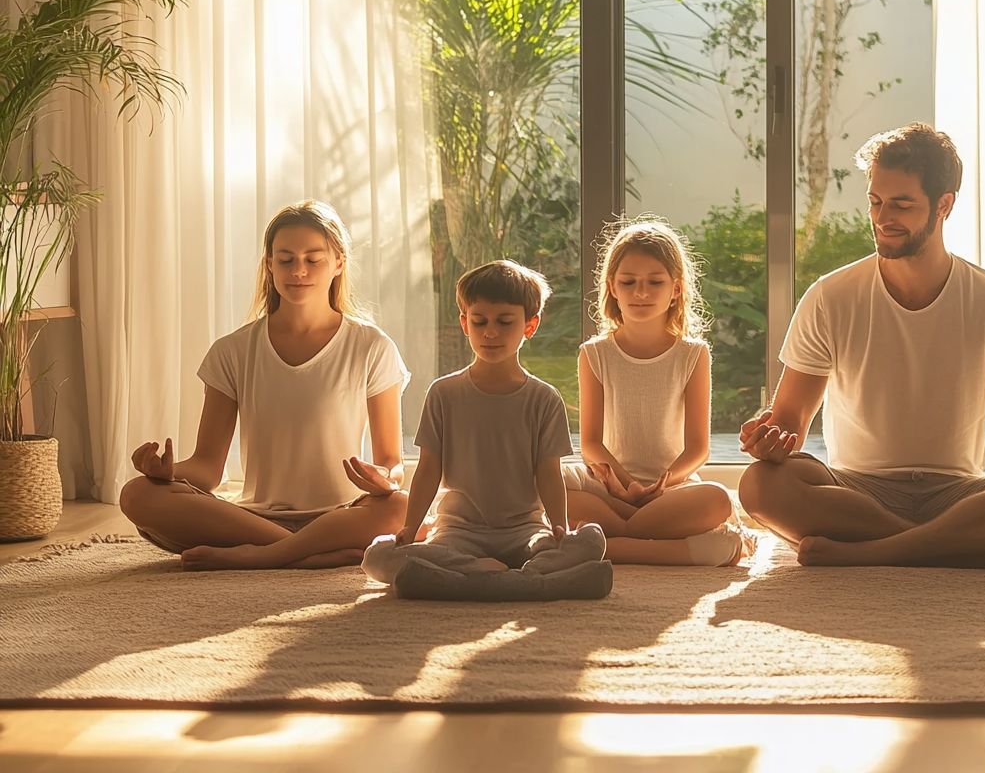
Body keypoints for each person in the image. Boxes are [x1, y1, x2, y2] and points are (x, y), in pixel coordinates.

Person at [738, 123, 985, 568]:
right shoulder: (829, 296)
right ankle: (969, 550)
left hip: (962, 494)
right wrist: (769, 439)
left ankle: (878, 552)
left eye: (901, 204)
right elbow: (790, 420)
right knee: (761, 485)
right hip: (856, 491)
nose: (881, 217)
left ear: (944, 205)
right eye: (875, 201)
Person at [120, 200, 412, 570]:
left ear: (338, 263)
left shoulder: (372, 346)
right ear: (269, 265)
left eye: (313, 259)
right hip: (255, 520)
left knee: (400, 506)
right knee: (137, 495)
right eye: (286, 259)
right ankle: (303, 553)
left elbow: (391, 464)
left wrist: (383, 479)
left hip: (342, 516)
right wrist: (165, 473)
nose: (299, 270)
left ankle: (265, 555)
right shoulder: (233, 351)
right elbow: (208, 469)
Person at [362, 260, 611, 600]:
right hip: (458, 532)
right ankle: (518, 580)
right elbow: (428, 468)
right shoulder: (443, 393)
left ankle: (468, 580)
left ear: (530, 325)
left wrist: (560, 526)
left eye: (505, 322)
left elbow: (549, 473)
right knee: (378, 556)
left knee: (591, 539)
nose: (490, 332)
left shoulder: (544, 398)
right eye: (479, 321)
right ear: (465, 323)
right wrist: (410, 527)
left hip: (525, 532)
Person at [562, 217, 749, 566]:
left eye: (655, 282)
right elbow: (590, 443)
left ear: (676, 289)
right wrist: (625, 486)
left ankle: (609, 543)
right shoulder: (594, 354)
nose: (641, 293)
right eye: (628, 282)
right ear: (612, 288)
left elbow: (697, 448)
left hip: (672, 491)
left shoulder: (693, 354)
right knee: (547, 483)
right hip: (610, 489)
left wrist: (658, 490)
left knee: (718, 499)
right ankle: (674, 548)